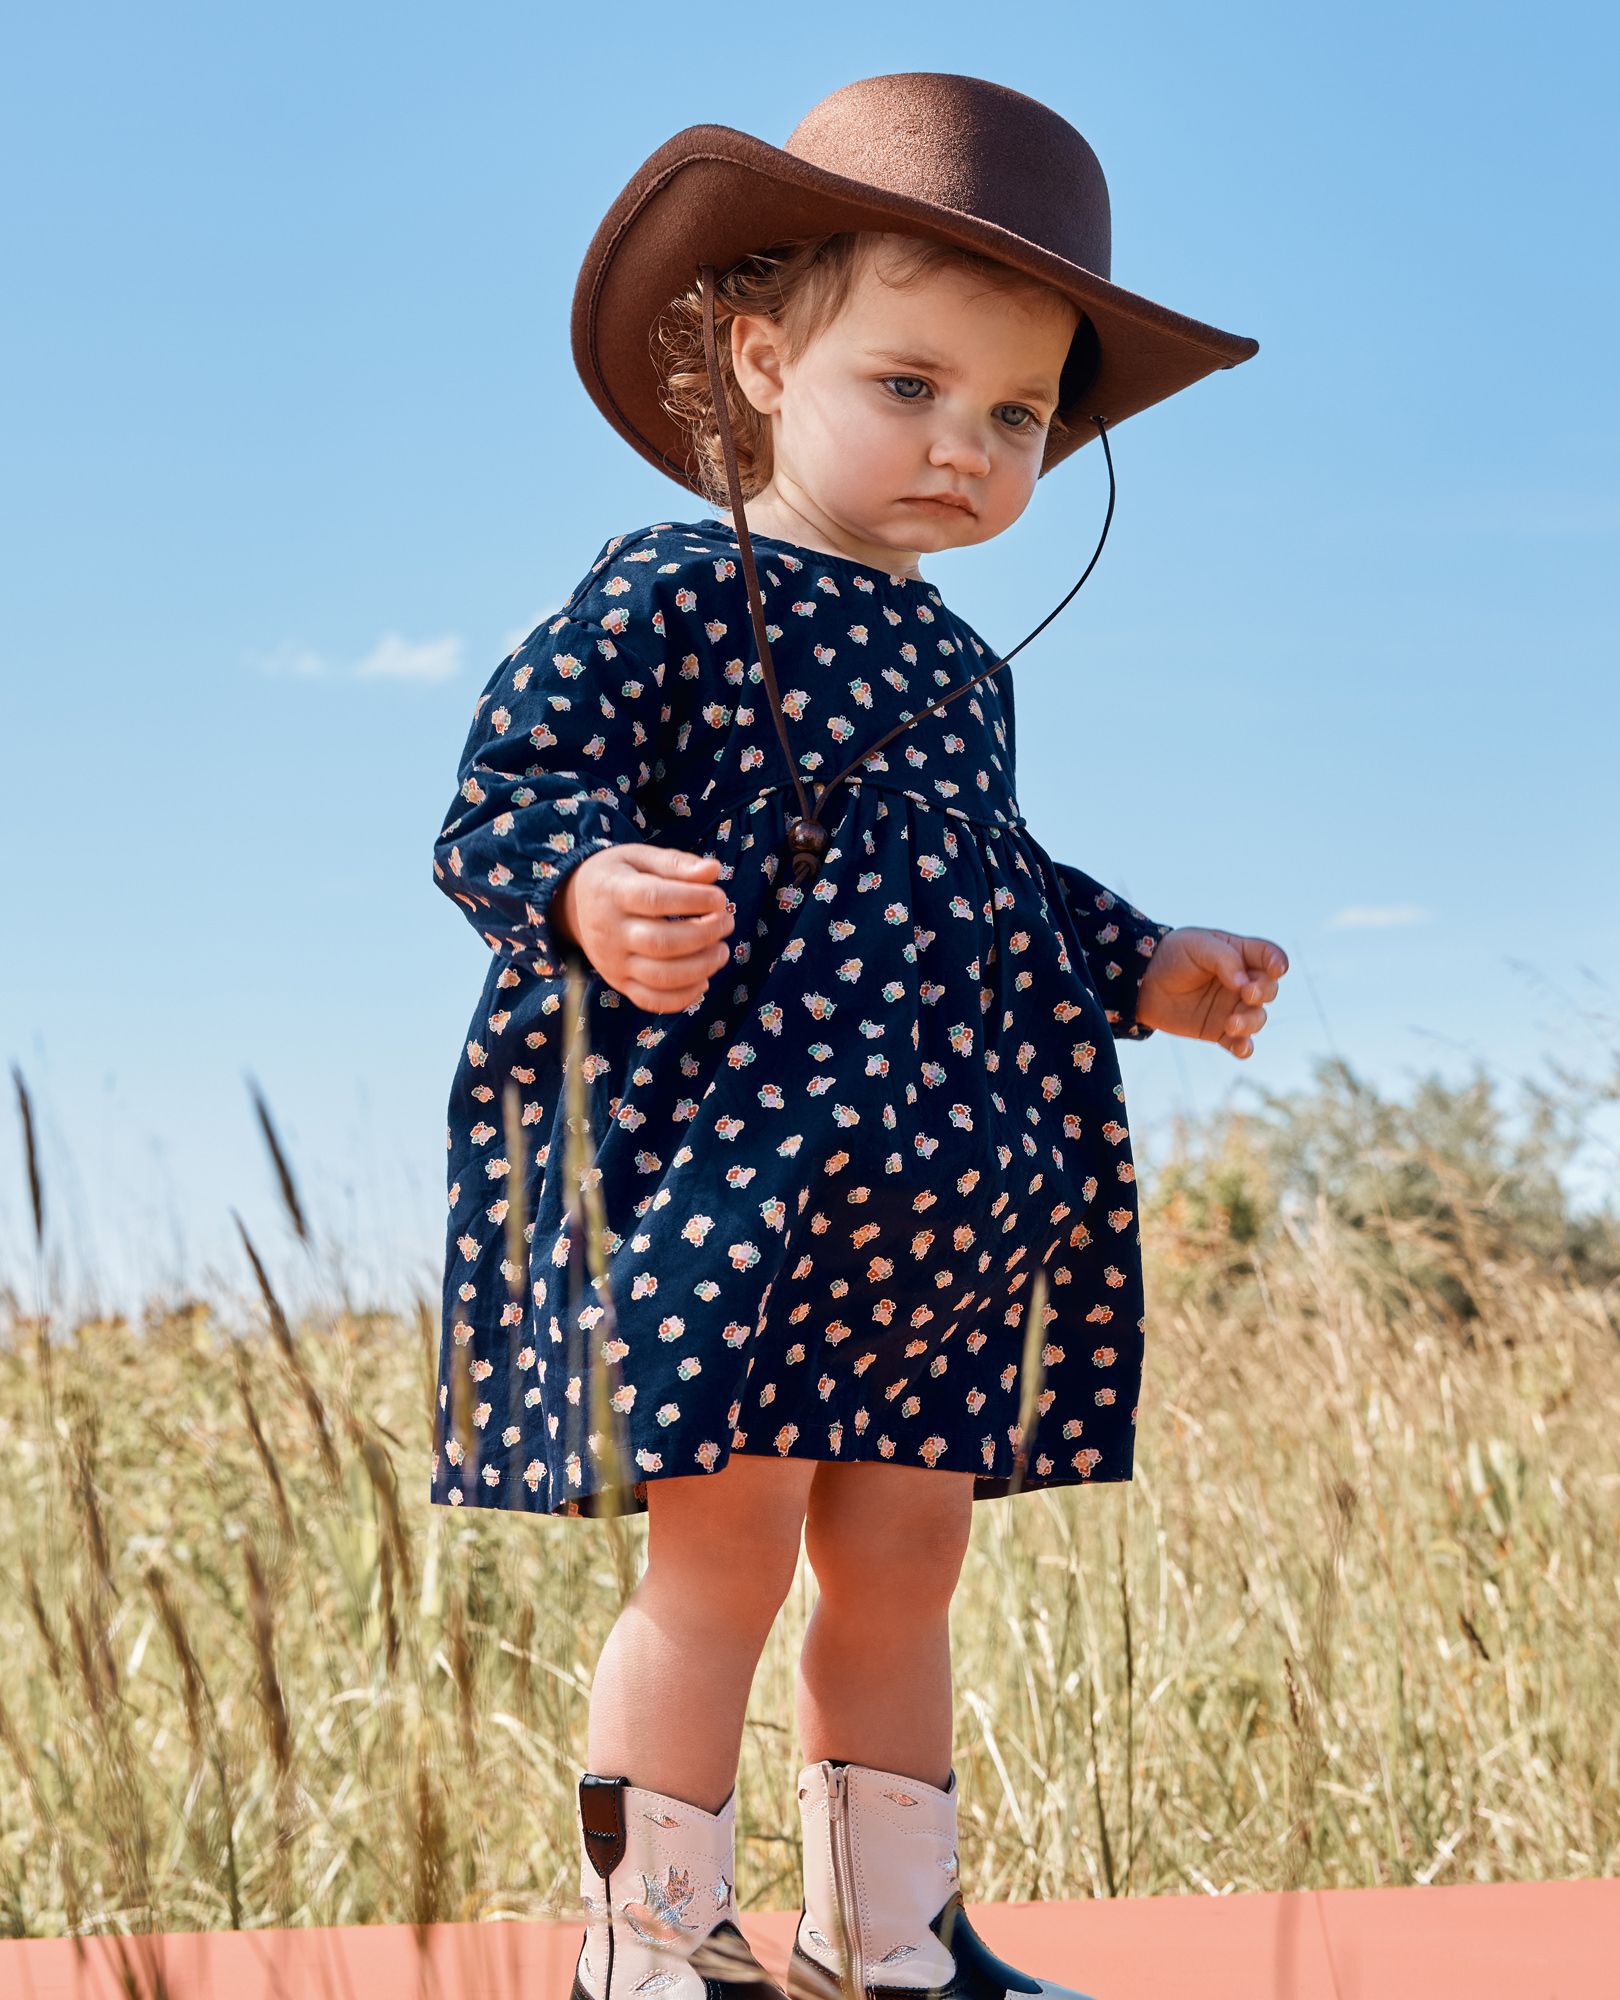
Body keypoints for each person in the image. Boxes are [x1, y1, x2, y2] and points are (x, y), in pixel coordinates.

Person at [429, 70, 1286, 2000]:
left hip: (938, 1194)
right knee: (719, 1561)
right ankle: (654, 1944)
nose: (964, 447)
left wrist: (1151, 961)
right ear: (761, 361)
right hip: (736, 1176)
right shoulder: (671, 591)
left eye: (1017, 417)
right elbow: (503, 797)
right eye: (909, 385)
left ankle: (889, 1941)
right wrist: (586, 886)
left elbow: (993, 883)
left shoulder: (961, 663)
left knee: (906, 1563)